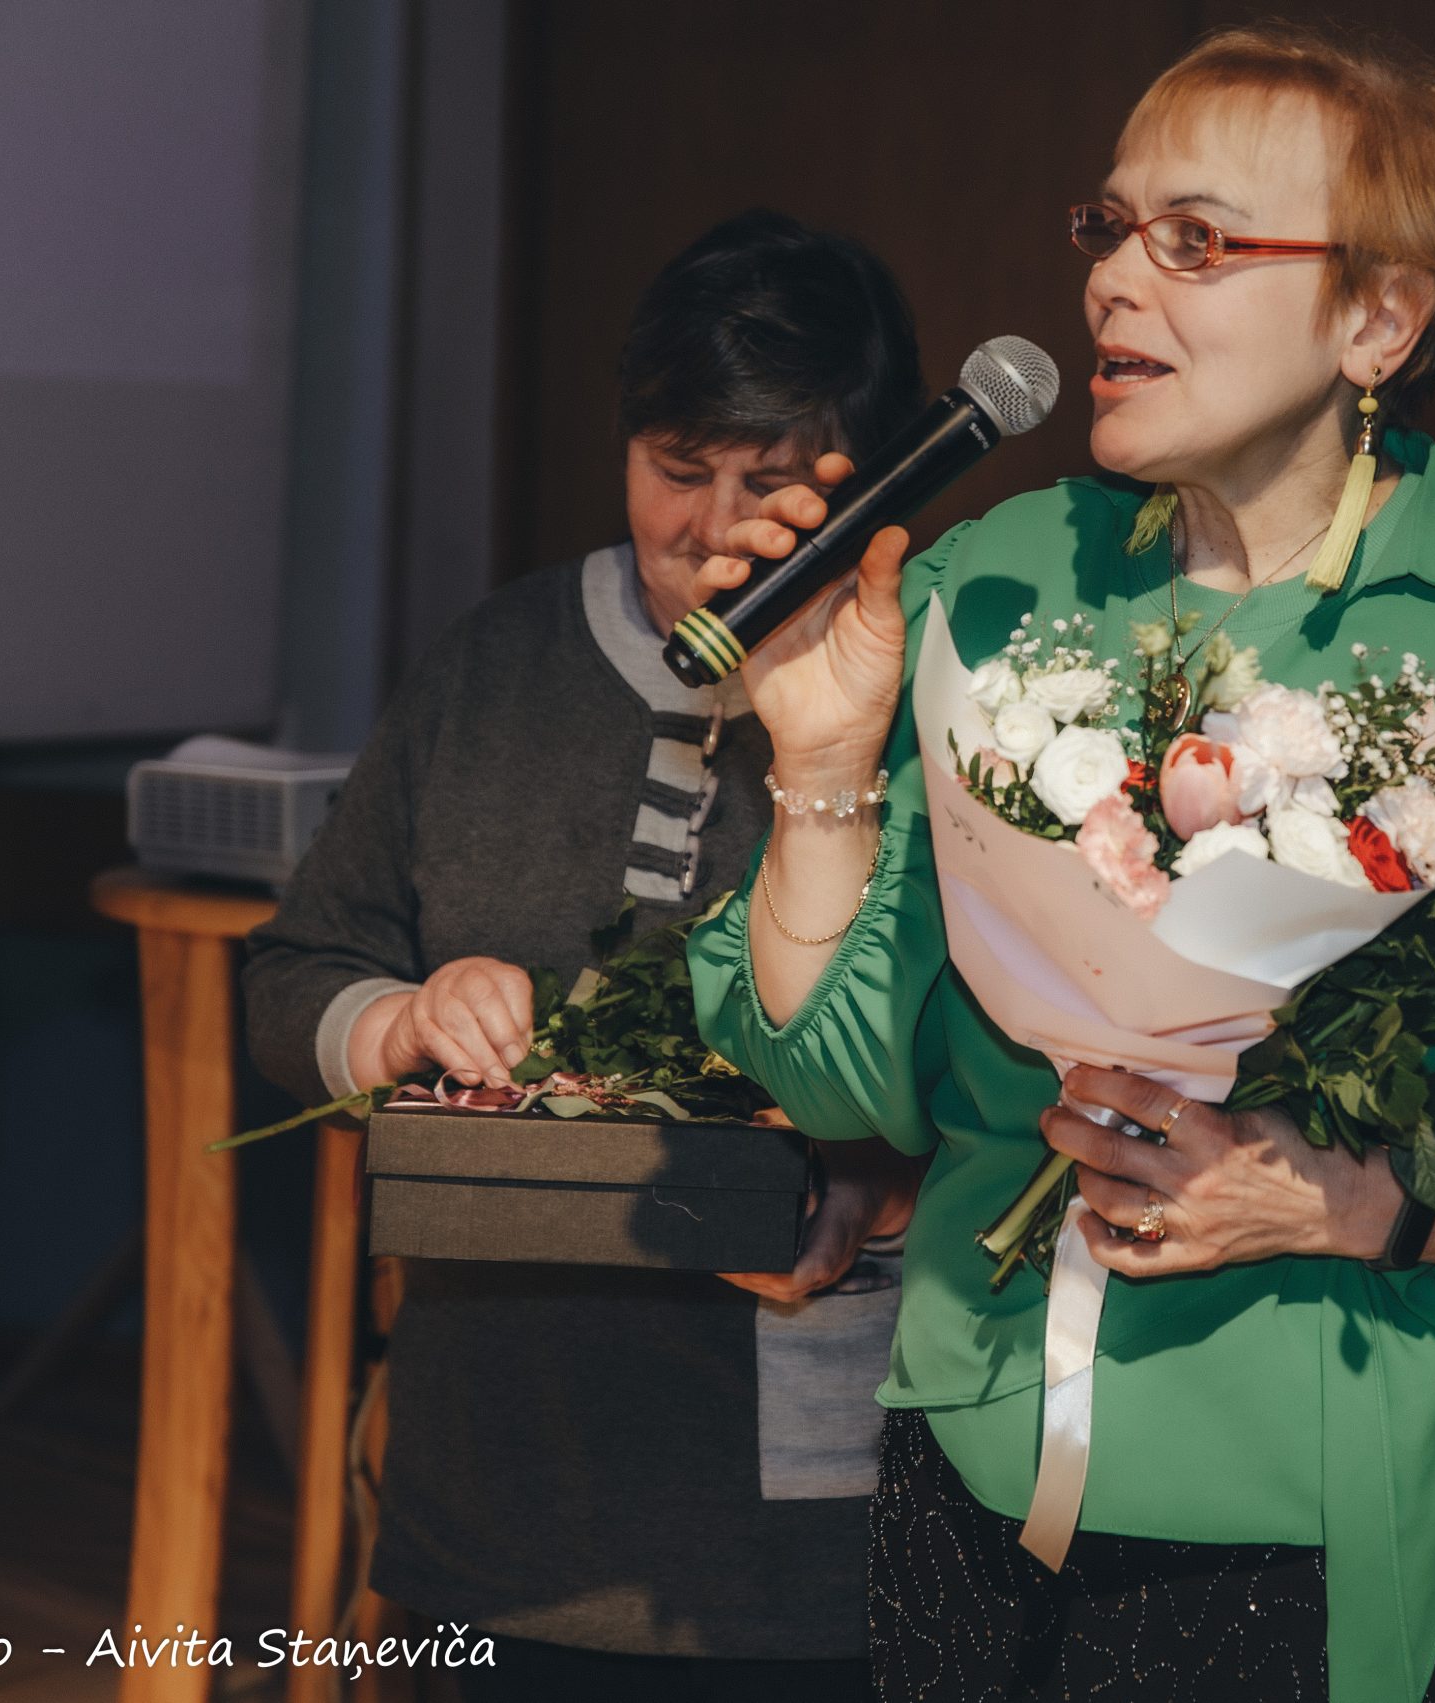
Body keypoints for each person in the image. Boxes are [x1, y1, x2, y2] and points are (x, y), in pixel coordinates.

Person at [681, 27, 1435, 1703]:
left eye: (1195, 240)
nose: (1116, 282)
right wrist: (824, 769)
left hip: (1314, 1513)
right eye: (1111, 228)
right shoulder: (992, 585)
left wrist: (1362, 1202)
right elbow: (834, 1080)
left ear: (1379, 320)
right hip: (969, 1463)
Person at [244, 210, 927, 1703]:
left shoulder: (940, 692)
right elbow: (294, 975)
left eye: (768, 480)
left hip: (807, 1542)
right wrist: (403, 1020)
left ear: (868, 479)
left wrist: (887, 1172)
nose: (711, 526)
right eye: (676, 468)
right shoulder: (496, 665)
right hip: (500, 1501)